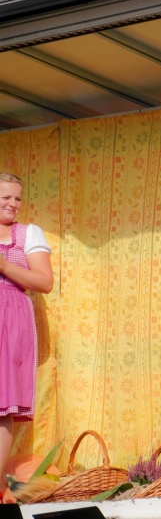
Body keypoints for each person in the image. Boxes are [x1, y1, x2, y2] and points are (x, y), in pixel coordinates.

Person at [0, 173, 53, 496]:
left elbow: (45, 282)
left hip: (9, 320)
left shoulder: (27, 233)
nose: (13, 204)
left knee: (1, 406)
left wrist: (5, 266)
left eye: (17, 198)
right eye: (5, 197)